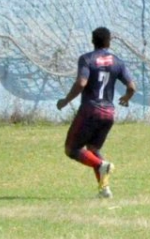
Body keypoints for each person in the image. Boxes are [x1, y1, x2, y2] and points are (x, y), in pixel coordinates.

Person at [56, 27, 136, 198]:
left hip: (90, 110)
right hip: (108, 113)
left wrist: (65, 100)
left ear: (92, 41)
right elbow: (131, 87)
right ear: (109, 42)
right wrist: (126, 98)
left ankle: (101, 165)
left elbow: (81, 83)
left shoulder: (87, 59)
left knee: (71, 149)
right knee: (92, 149)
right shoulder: (117, 62)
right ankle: (104, 189)